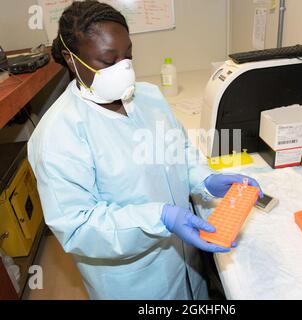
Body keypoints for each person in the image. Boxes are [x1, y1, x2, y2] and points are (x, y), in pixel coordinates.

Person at [27, 0, 262, 300]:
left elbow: (180, 152)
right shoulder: (58, 135)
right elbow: (78, 226)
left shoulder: (148, 97)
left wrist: (204, 180)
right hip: (136, 282)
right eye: (108, 61)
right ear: (72, 61)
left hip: (186, 263)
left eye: (128, 57)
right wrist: (159, 218)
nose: (124, 69)